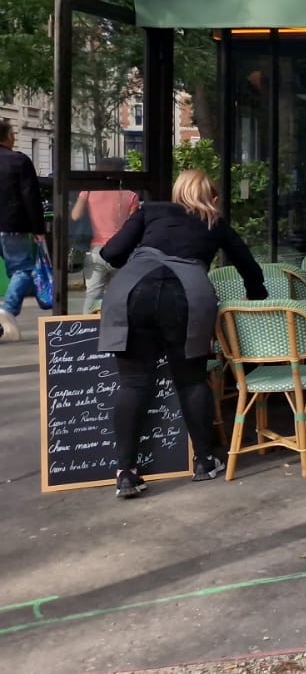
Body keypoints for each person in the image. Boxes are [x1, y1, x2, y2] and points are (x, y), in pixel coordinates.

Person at [99, 169, 266, 499]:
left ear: (176, 192)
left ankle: (127, 473)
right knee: (191, 380)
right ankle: (203, 460)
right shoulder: (213, 221)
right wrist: (256, 294)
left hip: (133, 292)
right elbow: (248, 265)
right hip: (187, 295)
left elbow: (111, 253)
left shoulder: (149, 211)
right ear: (213, 198)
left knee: (133, 383)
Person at [70, 158, 140, 315]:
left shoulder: (88, 192)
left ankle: (88, 327)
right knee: (121, 295)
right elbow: (132, 226)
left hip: (96, 250)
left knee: (93, 294)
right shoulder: (131, 196)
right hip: (122, 250)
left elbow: (75, 215)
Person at [0, 118, 46, 342]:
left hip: (10, 225)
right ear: (8, 137)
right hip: (12, 225)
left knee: (16, 271)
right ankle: (7, 310)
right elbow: (31, 196)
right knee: (23, 269)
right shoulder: (19, 161)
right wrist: (38, 228)